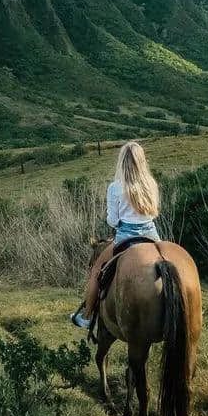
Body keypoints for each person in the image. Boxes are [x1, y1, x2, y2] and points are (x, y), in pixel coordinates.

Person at [71, 141, 160, 328]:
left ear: (122, 162)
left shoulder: (115, 187)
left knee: (96, 270)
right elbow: (153, 212)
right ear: (142, 161)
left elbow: (112, 220)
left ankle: (87, 318)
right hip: (151, 234)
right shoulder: (151, 183)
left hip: (125, 236)